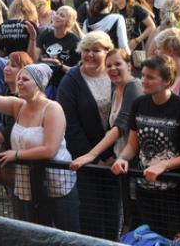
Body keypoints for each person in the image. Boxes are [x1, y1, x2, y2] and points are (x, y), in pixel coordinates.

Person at [0, 50, 79, 231]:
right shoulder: (18, 105)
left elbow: (50, 149)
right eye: (19, 78)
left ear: (39, 84)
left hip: (56, 183)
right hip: (25, 183)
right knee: (32, 232)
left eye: (25, 79)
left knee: (65, 233)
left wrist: (17, 154)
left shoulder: (53, 109)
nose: (19, 82)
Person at [111, 54, 180, 239]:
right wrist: (122, 159)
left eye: (150, 77)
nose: (144, 80)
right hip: (144, 191)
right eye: (143, 75)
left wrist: (164, 165)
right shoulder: (139, 104)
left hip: (175, 194)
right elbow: (132, 144)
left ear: (167, 81)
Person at [68, 48, 143, 239]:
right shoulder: (116, 89)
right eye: (108, 66)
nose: (113, 69)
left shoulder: (133, 87)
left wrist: (91, 154)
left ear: (129, 65)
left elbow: (120, 126)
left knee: (134, 219)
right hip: (121, 163)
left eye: (118, 64)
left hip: (135, 164)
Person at [57, 31, 113, 237]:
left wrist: (113, 155)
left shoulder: (116, 75)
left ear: (107, 52)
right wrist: (95, 158)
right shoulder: (71, 80)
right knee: (91, 212)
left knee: (113, 211)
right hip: (85, 160)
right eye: (85, 50)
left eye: (96, 51)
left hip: (115, 158)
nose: (89, 55)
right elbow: (70, 125)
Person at [36, 6, 82, 98]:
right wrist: (33, 38)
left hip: (64, 85)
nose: (57, 16)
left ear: (69, 22)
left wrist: (60, 65)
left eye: (62, 15)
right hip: (45, 82)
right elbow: (34, 59)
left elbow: (78, 71)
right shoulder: (45, 34)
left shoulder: (74, 41)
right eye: (56, 13)